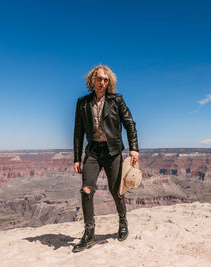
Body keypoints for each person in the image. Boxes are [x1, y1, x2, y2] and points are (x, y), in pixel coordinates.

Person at [72, 65, 139, 252]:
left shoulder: (116, 101)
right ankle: (89, 234)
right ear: (93, 79)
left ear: (109, 82)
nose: (102, 82)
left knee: (116, 190)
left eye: (105, 80)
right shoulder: (82, 103)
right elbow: (78, 133)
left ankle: (123, 221)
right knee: (86, 190)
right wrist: (77, 158)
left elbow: (130, 124)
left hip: (112, 151)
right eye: (99, 79)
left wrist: (134, 148)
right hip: (93, 151)